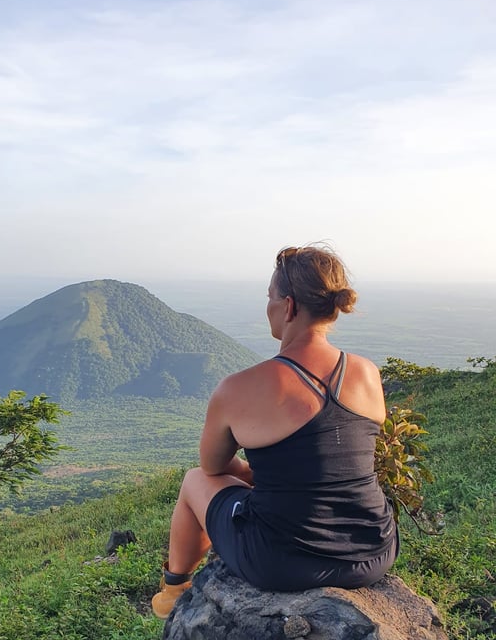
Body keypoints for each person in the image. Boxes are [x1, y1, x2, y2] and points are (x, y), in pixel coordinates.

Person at [151, 245, 398, 619]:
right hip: (374, 552)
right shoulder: (366, 373)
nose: (267, 306)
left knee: (194, 480)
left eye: (270, 297)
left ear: (289, 306)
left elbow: (213, 466)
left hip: (280, 562)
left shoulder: (240, 388)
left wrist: (250, 473)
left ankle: (174, 590)